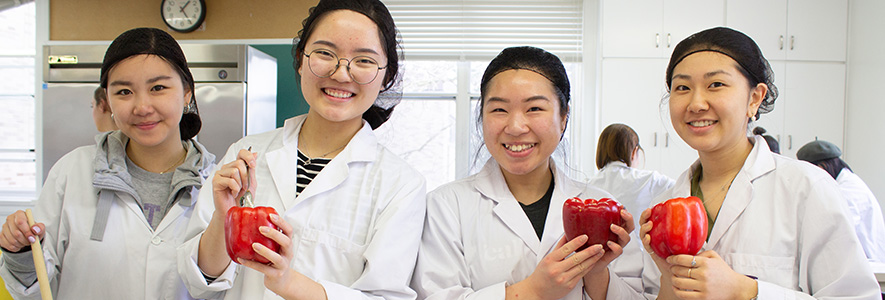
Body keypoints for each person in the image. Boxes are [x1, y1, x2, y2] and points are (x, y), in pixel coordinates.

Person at [176, 0, 426, 299]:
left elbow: (386, 297)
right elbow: (199, 280)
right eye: (324, 53)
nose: (341, 74)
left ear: (386, 76)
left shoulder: (400, 184)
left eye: (364, 61)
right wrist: (223, 218)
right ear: (300, 58)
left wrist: (288, 283)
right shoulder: (246, 153)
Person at [623, 26, 880, 299]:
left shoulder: (807, 189)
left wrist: (746, 290)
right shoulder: (664, 205)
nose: (696, 103)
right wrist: (668, 280)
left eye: (716, 84)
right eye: (682, 87)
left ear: (754, 98)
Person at [0, 27, 215, 299]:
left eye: (158, 88)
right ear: (108, 100)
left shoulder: (216, 185)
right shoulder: (72, 171)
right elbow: (34, 285)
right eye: (124, 92)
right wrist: (19, 250)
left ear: (186, 93)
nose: (142, 106)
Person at [411, 46, 638, 300]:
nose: (516, 127)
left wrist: (596, 273)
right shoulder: (445, 207)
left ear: (564, 118)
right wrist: (533, 291)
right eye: (499, 110)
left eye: (534, 109)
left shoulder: (604, 207)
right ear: (482, 117)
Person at [797, 140, 885, 263]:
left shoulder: (848, 191)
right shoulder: (844, 183)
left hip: (868, 264)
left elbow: (837, 231)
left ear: (822, 166)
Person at [590, 123, 675, 228]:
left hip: (600, 244)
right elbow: (682, 189)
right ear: (634, 152)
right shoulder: (649, 179)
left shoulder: (589, 184)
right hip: (640, 244)